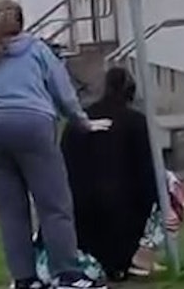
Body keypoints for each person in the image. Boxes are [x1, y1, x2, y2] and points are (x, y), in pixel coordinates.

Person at [0, 0, 104, 289]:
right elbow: (62, 92)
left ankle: (24, 279)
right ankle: (67, 274)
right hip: (34, 127)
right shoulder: (38, 51)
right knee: (54, 204)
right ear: (23, 22)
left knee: (11, 211)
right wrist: (83, 122)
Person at [59, 67, 157, 282]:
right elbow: (147, 173)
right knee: (168, 186)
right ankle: (132, 261)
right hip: (122, 214)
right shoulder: (135, 122)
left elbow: (63, 165)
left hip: (81, 214)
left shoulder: (79, 121)